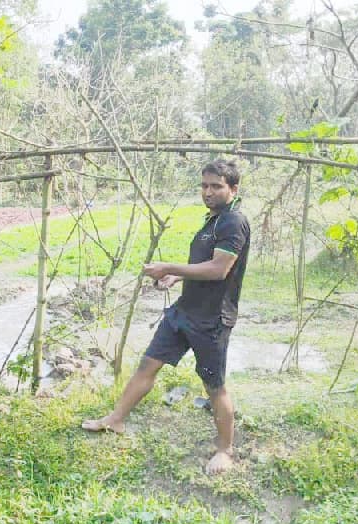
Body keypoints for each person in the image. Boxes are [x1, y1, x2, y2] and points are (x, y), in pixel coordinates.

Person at [82, 159, 250, 475]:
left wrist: (169, 267)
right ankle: (115, 419)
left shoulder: (233, 222)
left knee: (214, 386)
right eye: (204, 185)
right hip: (184, 312)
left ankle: (225, 450)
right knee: (148, 363)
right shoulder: (212, 221)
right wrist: (177, 279)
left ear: (233, 189)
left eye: (216, 186)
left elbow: (218, 270)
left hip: (211, 320)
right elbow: (205, 267)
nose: (208, 192)